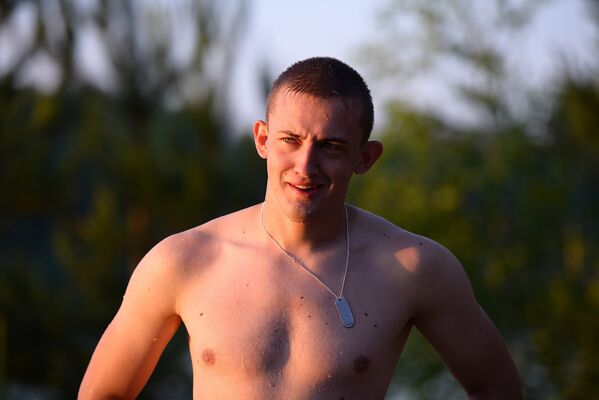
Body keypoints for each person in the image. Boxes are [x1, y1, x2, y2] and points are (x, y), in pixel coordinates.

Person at [79, 57, 522, 399]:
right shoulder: (184, 260)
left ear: (365, 158)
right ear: (262, 139)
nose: (305, 166)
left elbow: (497, 389)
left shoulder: (413, 267)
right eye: (290, 140)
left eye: (331, 146)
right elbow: (103, 393)